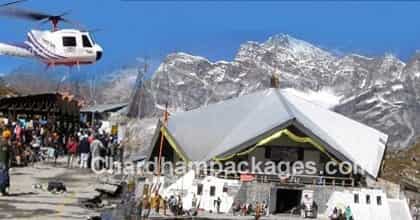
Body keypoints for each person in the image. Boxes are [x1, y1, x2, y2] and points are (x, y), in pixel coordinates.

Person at [0, 130, 11, 196]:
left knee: (3, 176)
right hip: (3, 162)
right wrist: (6, 163)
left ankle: (3, 191)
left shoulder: (2, 142)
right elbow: (4, 155)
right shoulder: (5, 144)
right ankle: (1, 191)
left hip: (2, 162)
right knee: (3, 177)